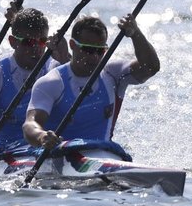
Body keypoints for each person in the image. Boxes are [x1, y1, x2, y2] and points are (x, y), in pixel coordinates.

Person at [22, 14, 159, 157]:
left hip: (103, 153)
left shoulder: (113, 74)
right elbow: (30, 124)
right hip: (61, 156)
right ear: (72, 45)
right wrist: (41, 136)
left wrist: (135, 34)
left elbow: (150, 67)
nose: (94, 57)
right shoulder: (52, 82)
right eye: (88, 50)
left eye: (100, 51)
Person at [0, 7, 70, 175]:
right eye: (28, 42)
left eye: (41, 42)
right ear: (12, 42)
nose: (36, 48)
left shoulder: (56, 70)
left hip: (47, 150)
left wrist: (65, 56)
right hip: (5, 155)